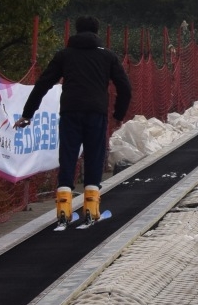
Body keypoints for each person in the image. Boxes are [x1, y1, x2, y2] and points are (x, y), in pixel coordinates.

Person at [16, 17, 133, 230]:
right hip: (97, 112)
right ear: (97, 32)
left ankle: (63, 210)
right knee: (95, 156)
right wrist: (118, 114)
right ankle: (91, 208)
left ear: (76, 32)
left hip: (70, 111)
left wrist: (28, 113)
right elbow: (125, 87)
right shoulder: (107, 57)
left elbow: (43, 83)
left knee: (68, 156)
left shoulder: (64, 56)